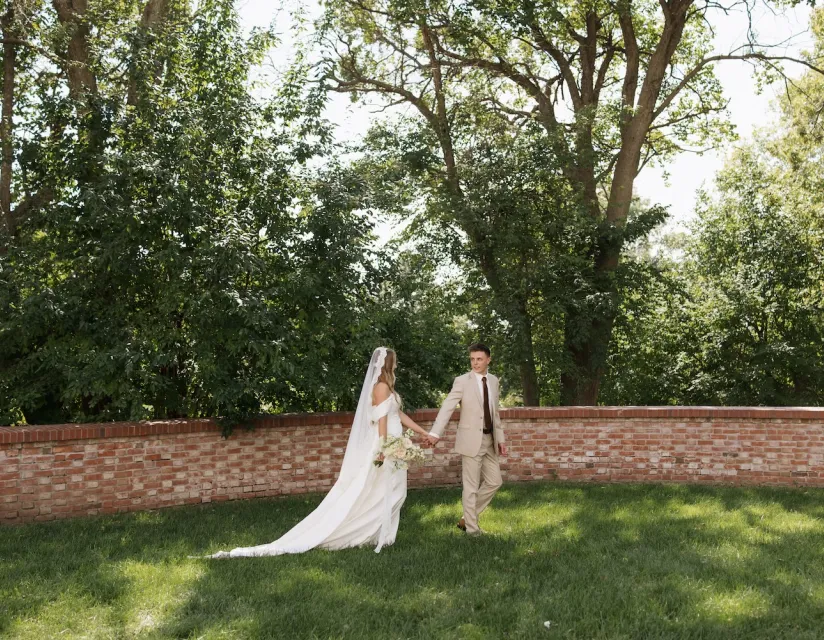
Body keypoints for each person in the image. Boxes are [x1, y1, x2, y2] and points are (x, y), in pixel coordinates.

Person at [202, 347, 430, 557]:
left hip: (395, 443)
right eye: (396, 362)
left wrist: (422, 432)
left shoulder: (388, 387)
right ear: (389, 363)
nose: (397, 365)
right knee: (384, 491)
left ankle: (380, 533)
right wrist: (384, 446)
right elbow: (381, 419)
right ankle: (367, 532)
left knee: (393, 491)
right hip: (386, 445)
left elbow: (397, 415)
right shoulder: (380, 387)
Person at [427, 343, 507, 536]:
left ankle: (466, 518)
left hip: (490, 439)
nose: (475, 363)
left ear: (488, 359)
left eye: (479, 359)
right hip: (471, 440)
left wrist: (501, 439)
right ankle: (472, 530)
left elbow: (495, 413)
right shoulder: (462, 381)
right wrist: (435, 432)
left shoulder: (494, 381)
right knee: (470, 487)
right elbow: (447, 406)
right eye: (472, 359)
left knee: (495, 482)